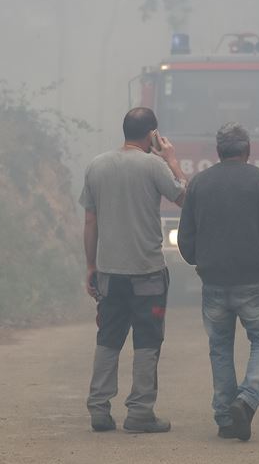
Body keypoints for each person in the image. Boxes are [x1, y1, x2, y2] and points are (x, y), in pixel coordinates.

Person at [79, 107, 187, 433]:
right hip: (148, 272)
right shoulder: (154, 165)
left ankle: (99, 409)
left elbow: (90, 220)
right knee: (147, 341)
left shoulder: (97, 166)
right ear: (152, 134)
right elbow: (185, 198)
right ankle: (140, 412)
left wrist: (91, 266)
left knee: (108, 338)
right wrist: (172, 160)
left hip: (110, 272)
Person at [177, 122, 259, 442]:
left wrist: (200, 261)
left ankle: (226, 419)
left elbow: (186, 238)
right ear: (247, 150)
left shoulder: (200, 183)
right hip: (253, 278)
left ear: (218, 151)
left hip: (213, 281)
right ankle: (247, 399)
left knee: (220, 347)